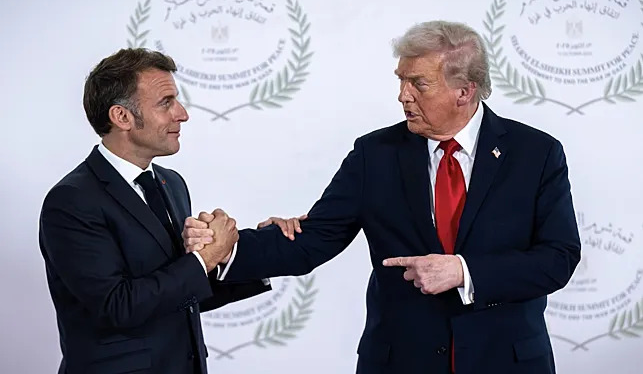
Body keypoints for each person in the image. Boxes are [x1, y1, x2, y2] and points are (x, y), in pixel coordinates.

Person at [184, 21, 581, 374]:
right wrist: (226, 249)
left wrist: (464, 272)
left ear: (464, 91)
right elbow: (313, 239)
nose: (403, 96)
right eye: (401, 81)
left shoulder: (536, 153)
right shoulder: (374, 154)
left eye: (418, 84)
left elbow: (558, 257)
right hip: (400, 360)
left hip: (505, 361)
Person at [38, 49, 299, 374]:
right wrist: (205, 258)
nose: (182, 114)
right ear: (122, 117)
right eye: (166, 103)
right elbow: (117, 307)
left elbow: (182, 294)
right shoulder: (71, 200)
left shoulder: (171, 183)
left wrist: (258, 249)